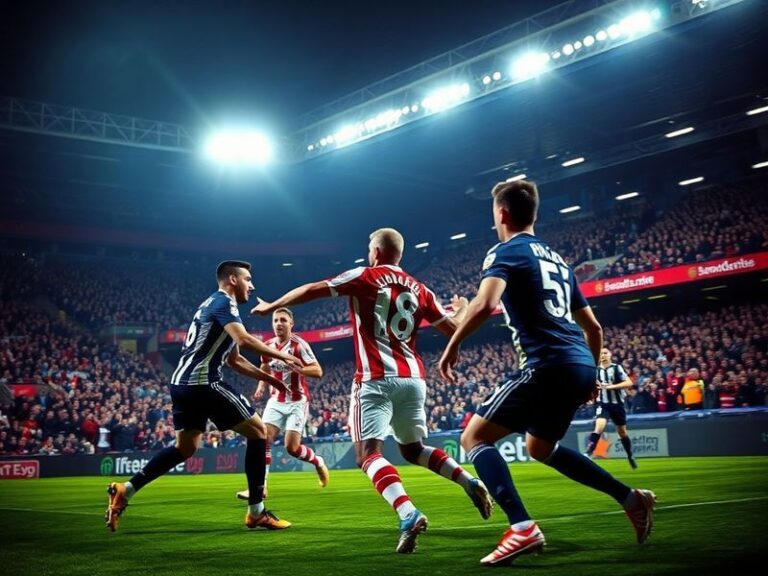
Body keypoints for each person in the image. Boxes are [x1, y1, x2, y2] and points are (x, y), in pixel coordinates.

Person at [438, 180, 656, 566]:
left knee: (473, 437)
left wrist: (453, 342)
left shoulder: (505, 251)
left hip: (547, 363)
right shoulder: (559, 261)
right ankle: (631, 498)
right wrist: (589, 375)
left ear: (501, 213)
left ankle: (522, 527)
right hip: (578, 363)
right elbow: (595, 330)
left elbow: (487, 302)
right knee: (540, 447)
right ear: (534, 214)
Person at [252, 228, 493, 554]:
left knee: (367, 455)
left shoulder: (365, 276)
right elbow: (454, 330)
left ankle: (408, 513)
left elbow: (312, 289)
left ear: (377, 251)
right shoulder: (420, 289)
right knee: (412, 449)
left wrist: (272, 307)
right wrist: (462, 308)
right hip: (414, 381)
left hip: (374, 379)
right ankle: (468, 480)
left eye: (369, 247)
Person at [105, 260, 300, 532]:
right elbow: (244, 341)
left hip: (181, 384)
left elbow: (235, 360)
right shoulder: (224, 304)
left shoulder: (213, 306)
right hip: (202, 382)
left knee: (185, 448)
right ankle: (256, 512)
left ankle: (126, 489)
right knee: (258, 432)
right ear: (232, 279)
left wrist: (269, 379)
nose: (252, 285)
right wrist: (284, 355)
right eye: (247, 279)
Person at [236, 307, 329, 501]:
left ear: (291, 324)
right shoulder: (268, 345)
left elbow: (318, 371)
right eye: (276, 320)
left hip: (297, 401)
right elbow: (264, 365)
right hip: (275, 400)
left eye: (283, 320)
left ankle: (318, 461)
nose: (279, 323)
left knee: (292, 448)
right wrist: (261, 384)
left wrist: (300, 370)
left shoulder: (299, 345)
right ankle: (261, 487)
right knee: (264, 439)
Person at [584, 348, 638, 468]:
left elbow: (629, 383)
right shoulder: (595, 370)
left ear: (610, 355)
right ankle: (588, 453)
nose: (603, 355)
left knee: (622, 432)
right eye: (601, 353)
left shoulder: (616, 368)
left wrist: (611, 387)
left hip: (618, 405)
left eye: (605, 353)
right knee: (599, 427)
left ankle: (630, 455)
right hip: (604, 404)